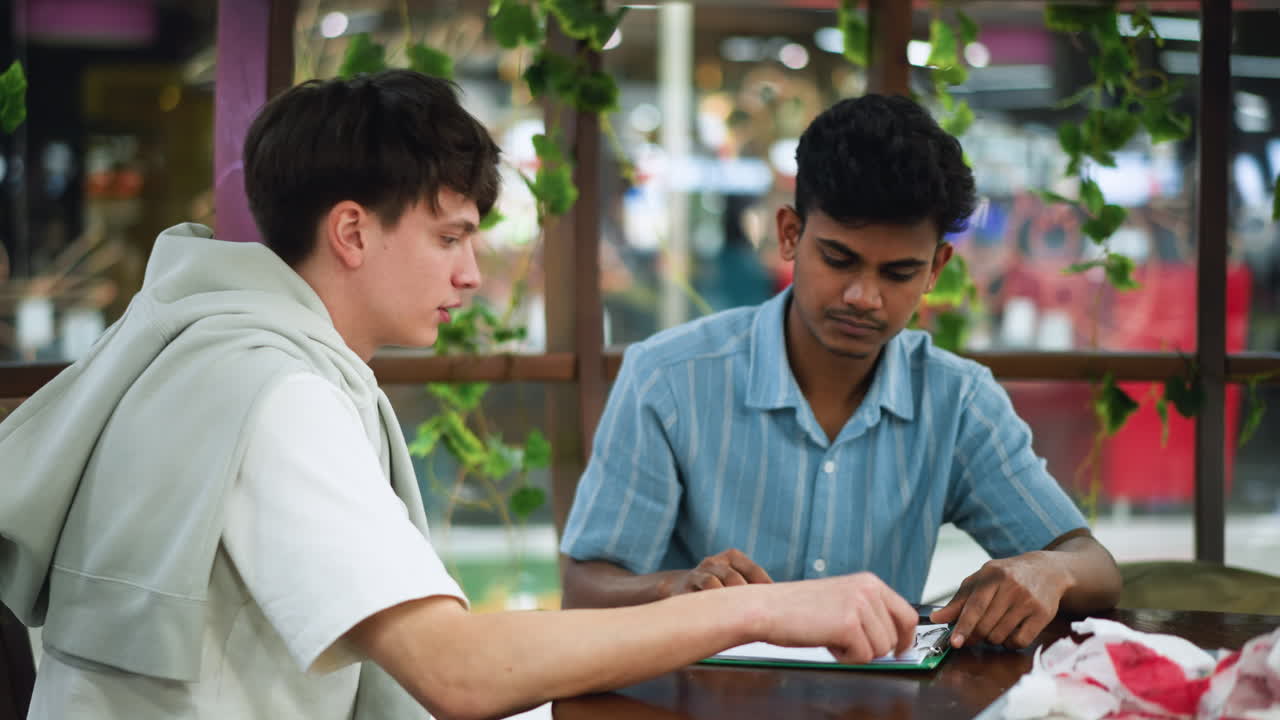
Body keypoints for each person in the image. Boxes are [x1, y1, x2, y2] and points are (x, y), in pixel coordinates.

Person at [0, 70, 926, 720]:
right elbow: (457, 673)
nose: (473, 275)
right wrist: (766, 610)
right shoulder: (272, 390)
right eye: (451, 239)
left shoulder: (206, 339)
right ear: (353, 232)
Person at [559, 94, 1123, 650]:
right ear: (789, 235)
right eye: (838, 259)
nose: (864, 297)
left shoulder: (957, 400)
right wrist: (679, 587)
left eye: (898, 272)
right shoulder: (669, 380)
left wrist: (1051, 570)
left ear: (936, 268)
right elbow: (584, 588)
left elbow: (1093, 564)